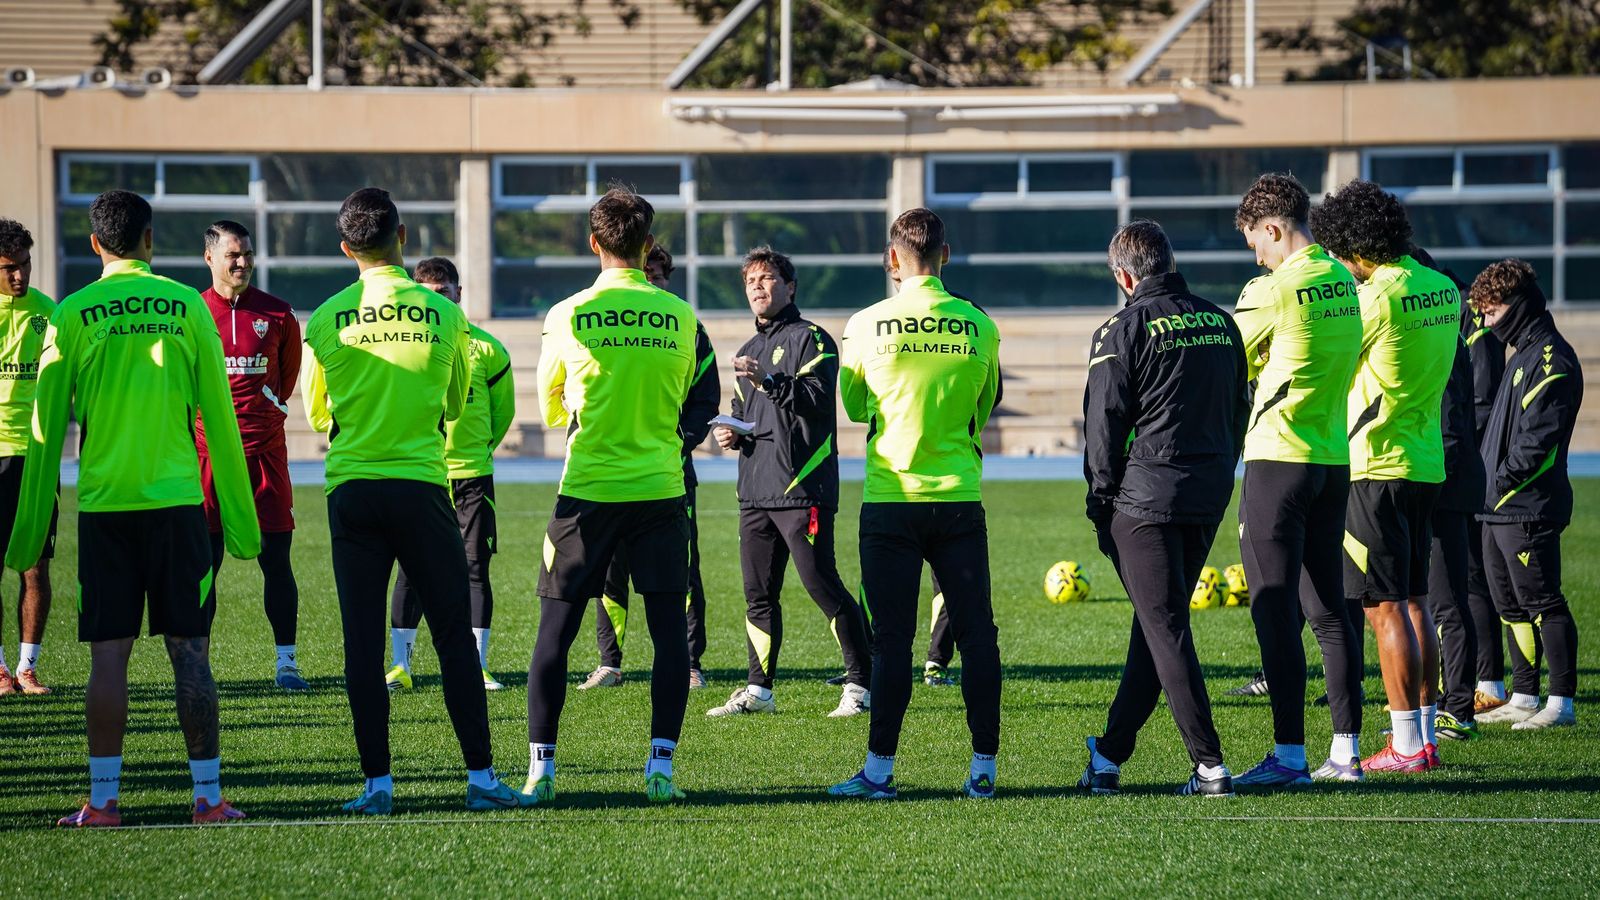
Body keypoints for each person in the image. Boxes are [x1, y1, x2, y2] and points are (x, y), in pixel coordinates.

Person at [7, 190, 261, 826]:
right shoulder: (185, 306)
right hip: (178, 506)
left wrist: (28, 530)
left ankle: (102, 802)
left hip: (106, 510)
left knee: (108, 658)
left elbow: (43, 430)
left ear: (95, 245)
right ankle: (207, 799)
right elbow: (219, 417)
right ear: (150, 240)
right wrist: (241, 520)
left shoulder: (71, 313)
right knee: (191, 653)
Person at [303, 188, 529, 815]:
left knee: (360, 641)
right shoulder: (446, 315)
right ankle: (481, 778)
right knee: (453, 634)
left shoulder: (323, 319)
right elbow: (456, 404)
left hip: (352, 489)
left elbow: (318, 412)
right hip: (424, 487)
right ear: (402, 237)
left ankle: (377, 785)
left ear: (348, 249)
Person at [527, 188, 698, 804]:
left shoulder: (567, 313)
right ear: (648, 245)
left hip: (588, 492)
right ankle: (660, 770)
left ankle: (540, 773)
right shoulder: (680, 316)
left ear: (595, 243)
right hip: (658, 488)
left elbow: (549, 409)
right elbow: (680, 396)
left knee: (555, 631)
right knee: (667, 635)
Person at [828, 209, 1002, 800]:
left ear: (893, 259)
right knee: (978, 638)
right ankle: (983, 771)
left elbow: (854, 406)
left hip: (891, 500)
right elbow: (987, 400)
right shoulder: (979, 323)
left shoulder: (865, 323)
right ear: (945, 255)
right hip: (958, 498)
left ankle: (878, 772)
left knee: (892, 643)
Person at [1076, 220, 1248, 798]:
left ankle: (1209, 766)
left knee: (1166, 627)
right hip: (1207, 493)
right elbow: (1239, 409)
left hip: (1144, 500)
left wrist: (1101, 502)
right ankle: (1109, 753)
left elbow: (1103, 428)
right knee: (1154, 627)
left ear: (1125, 276)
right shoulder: (1221, 322)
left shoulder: (1121, 329)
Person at [1310, 180, 1459, 773]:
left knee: (1382, 607)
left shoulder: (1378, 297)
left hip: (1373, 460)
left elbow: (1329, 358)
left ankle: (1402, 746)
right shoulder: (1444, 288)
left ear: (1352, 246)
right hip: (1425, 460)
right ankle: (1422, 737)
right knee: (1416, 600)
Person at [1226, 174, 1366, 787]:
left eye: (1257, 240)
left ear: (1275, 228)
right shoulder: (1344, 280)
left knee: (1275, 609)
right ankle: (1345, 753)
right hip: (1332, 461)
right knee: (1330, 611)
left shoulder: (1273, 288)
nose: (1256, 255)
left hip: (1277, 460)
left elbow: (1229, 360)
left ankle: (1287, 758)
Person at [705, 246, 873, 719]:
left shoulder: (814, 339)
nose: (757, 287)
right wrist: (731, 433)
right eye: (750, 281)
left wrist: (771, 382)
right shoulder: (746, 351)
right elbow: (745, 413)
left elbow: (817, 400)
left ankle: (860, 685)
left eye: (767, 278)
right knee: (757, 594)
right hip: (754, 490)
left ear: (790, 286)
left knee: (822, 584)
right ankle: (759, 690)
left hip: (802, 489)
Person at [582, 244, 718, 691]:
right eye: (646, 273)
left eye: (658, 275)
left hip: (669, 473)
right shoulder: (598, 318)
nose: (652, 281)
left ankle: (689, 662)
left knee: (680, 570)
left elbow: (705, 397)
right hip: (606, 472)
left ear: (666, 278)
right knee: (608, 569)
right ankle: (610, 662)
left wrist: (681, 443)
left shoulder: (685, 324)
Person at [385, 257, 515, 693]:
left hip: (473, 477)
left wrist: (474, 451)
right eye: (429, 292)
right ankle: (400, 666)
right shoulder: (406, 343)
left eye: (446, 291)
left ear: (460, 293)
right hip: (423, 475)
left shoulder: (489, 348)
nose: (439, 298)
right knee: (410, 571)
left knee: (475, 569)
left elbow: (502, 415)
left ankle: (477, 665)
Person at [1470, 259, 1583, 730]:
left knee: (1543, 603)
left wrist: (1494, 488)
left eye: (1493, 313)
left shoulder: (1554, 360)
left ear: (1517, 307)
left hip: (1527, 508)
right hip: (1497, 509)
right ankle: (1525, 693)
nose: (1488, 324)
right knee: (1510, 607)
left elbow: (1537, 445)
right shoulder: (1520, 354)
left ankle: (1562, 702)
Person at [195, 220, 306, 692]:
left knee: (277, 561)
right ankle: (197, 664)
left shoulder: (279, 315)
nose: (240, 263)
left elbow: (286, 380)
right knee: (205, 562)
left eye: (246, 254)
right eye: (231, 255)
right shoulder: (192, 313)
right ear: (210, 259)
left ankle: (287, 663)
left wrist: (265, 416)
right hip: (208, 458)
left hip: (265, 455)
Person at [1411, 249, 1485, 742]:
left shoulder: (1443, 341)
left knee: (1446, 602)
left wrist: (1435, 485)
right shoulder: (1443, 337)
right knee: (1441, 599)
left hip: (1446, 486)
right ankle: (1443, 701)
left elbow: (1452, 424)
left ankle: (1457, 707)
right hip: (1444, 480)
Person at [0, 219, 56, 696]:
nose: (20, 277)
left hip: (34, 457)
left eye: (25, 266)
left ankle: (26, 668)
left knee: (35, 567)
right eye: (8, 269)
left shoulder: (49, 313)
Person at [1462, 304, 1513, 714]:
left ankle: (1490, 683)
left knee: (1474, 578)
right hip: (1465, 460)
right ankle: (1486, 679)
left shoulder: (1461, 311)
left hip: (1468, 464)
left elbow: (1481, 397)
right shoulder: (1445, 301)